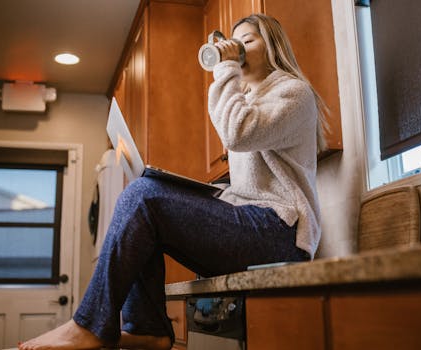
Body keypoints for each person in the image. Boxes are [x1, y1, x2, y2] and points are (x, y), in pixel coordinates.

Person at [19, 13, 327, 350]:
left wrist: (226, 68)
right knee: (143, 201)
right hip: (257, 226)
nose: (236, 47)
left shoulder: (294, 92)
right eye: (234, 41)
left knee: (144, 197)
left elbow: (237, 133)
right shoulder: (248, 99)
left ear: (274, 45)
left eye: (247, 40)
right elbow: (247, 176)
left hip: (280, 234)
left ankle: (90, 325)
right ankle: (146, 329)